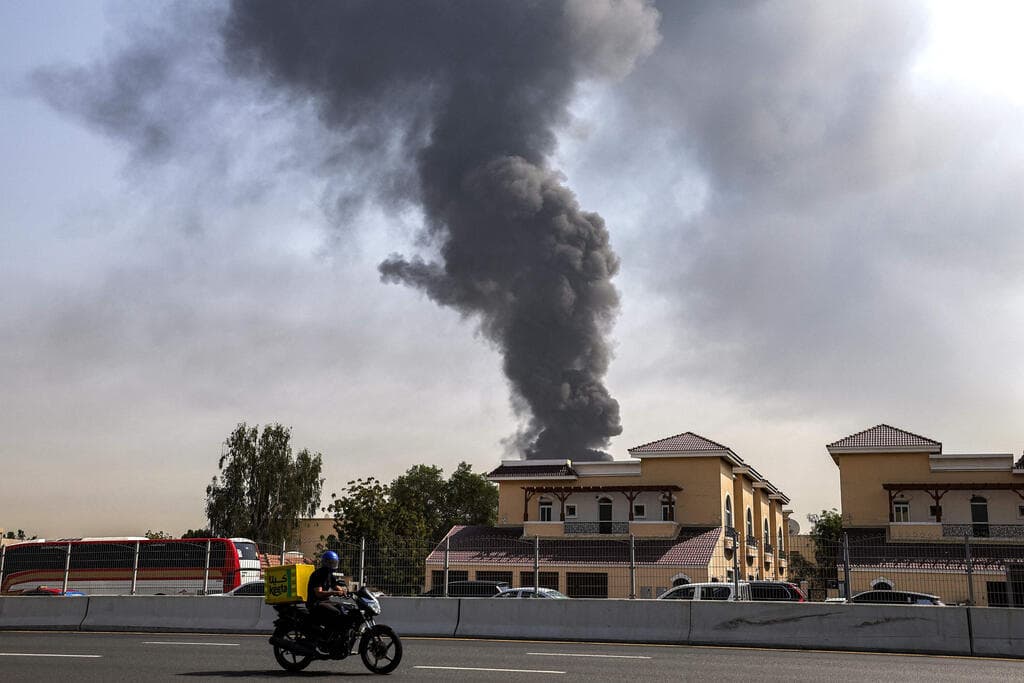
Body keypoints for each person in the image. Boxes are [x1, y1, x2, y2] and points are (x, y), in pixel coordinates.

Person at [306, 550, 352, 642]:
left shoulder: (329, 575)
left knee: (344, 608)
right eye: (331, 562)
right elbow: (318, 593)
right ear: (325, 562)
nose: (333, 565)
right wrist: (334, 593)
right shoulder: (318, 574)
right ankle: (327, 637)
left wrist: (344, 591)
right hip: (315, 603)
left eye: (334, 562)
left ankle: (338, 635)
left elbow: (335, 585)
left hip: (325, 601)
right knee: (336, 612)